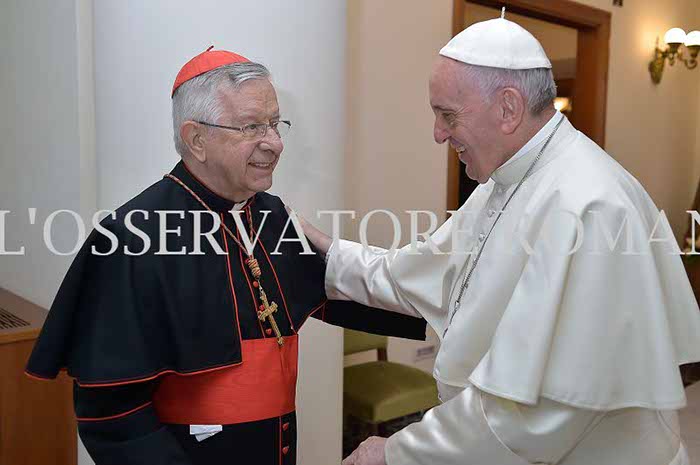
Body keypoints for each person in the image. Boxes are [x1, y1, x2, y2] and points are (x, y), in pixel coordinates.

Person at [301, 13, 700, 465]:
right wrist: (326, 249)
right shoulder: (504, 181)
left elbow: (530, 415)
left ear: (508, 108)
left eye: (448, 115)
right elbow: (416, 273)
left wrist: (396, 451)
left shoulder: (592, 205)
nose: (438, 134)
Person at [25, 47, 426, 465]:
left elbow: (345, 290)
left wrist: (449, 297)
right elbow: (112, 414)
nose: (275, 143)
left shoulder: (270, 215)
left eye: (275, 124)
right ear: (196, 139)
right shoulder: (132, 236)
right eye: (252, 126)